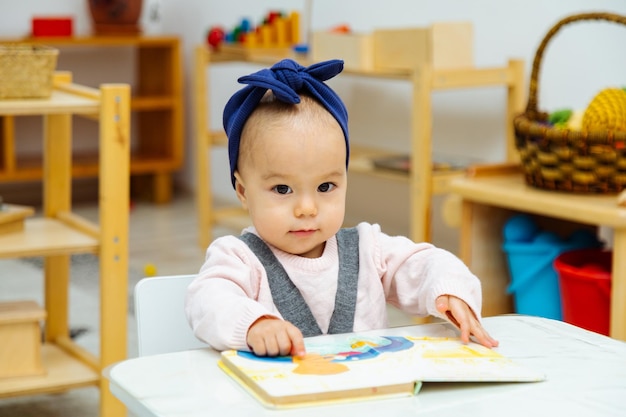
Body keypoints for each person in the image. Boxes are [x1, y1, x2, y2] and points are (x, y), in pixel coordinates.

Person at [185, 58, 498, 358]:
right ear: (242, 190)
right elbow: (207, 300)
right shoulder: (238, 258)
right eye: (282, 189)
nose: (307, 208)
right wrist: (254, 324)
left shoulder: (368, 250)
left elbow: (426, 263)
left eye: (325, 187)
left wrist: (450, 291)